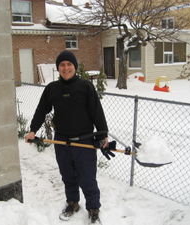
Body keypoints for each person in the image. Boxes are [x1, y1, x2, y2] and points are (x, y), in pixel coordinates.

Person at [25, 50, 109, 224]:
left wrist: (103, 135)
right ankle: (72, 202)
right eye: (62, 65)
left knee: (87, 177)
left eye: (69, 64)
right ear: (58, 68)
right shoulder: (52, 89)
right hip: (61, 141)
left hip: (84, 140)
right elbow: (42, 110)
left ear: (75, 67)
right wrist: (33, 129)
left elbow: (96, 111)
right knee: (68, 175)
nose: (66, 68)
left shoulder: (85, 86)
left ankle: (93, 208)